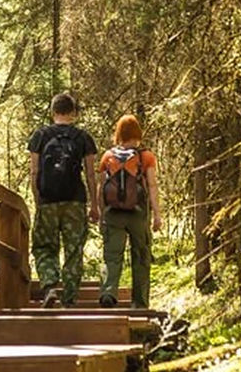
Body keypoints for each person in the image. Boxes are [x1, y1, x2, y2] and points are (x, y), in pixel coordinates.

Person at [27, 93, 99, 307]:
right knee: (74, 249)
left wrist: (38, 199)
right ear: (73, 113)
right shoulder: (83, 138)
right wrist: (94, 205)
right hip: (75, 200)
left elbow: (34, 171)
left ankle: (49, 287)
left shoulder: (40, 136)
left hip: (48, 200)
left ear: (53, 112)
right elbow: (90, 174)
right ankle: (69, 300)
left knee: (44, 247)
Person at [97, 114, 162, 309]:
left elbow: (102, 188)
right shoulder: (146, 157)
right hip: (138, 213)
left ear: (119, 134)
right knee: (141, 256)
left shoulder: (107, 157)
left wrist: (101, 213)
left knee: (112, 255)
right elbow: (151, 186)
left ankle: (108, 292)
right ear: (137, 134)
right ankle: (139, 302)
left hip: (113, 212)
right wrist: (157, 214)